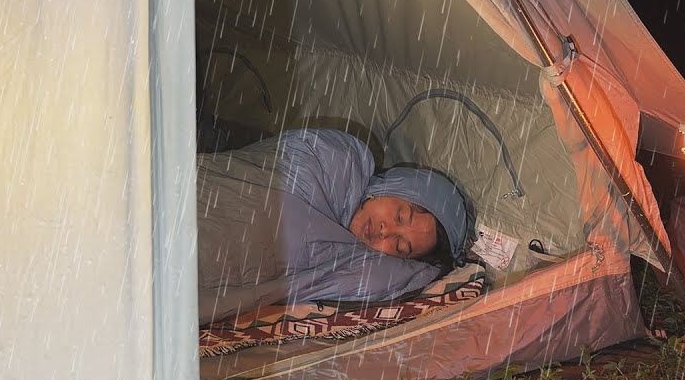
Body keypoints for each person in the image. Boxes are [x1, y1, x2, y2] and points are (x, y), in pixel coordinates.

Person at [196, 128, 476, 325]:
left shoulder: (348, 260)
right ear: (392, 186)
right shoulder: (335, 158)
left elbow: (397, 279)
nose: (385, 231)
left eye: (400, 247)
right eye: (400, 216)